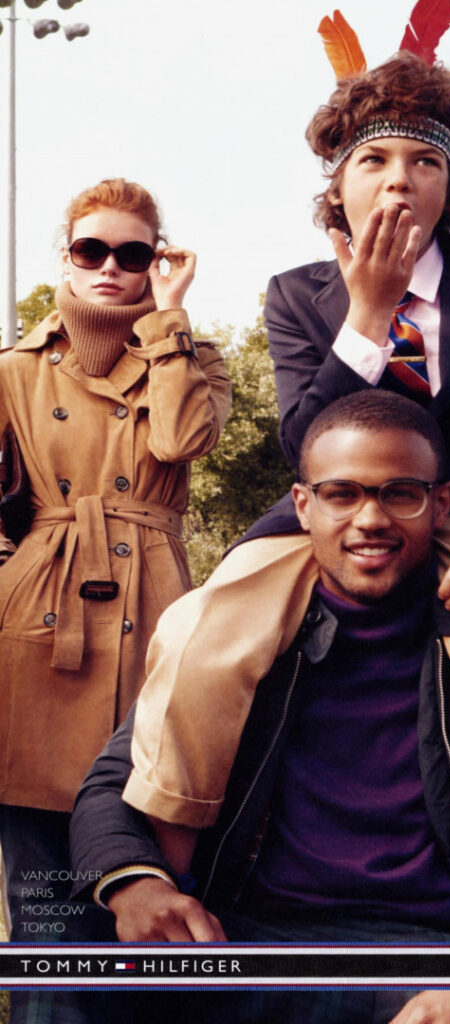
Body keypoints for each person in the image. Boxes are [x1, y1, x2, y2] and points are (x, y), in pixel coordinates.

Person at [122, 51, 450, 897]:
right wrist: (369, 313)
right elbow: (302, 439)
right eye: (373, 160)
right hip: (323, 520)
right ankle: (175, 884)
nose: (398, 181)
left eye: (424, 162)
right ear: (337, 186)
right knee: (196, 641)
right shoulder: (296, 294)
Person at [70, 391, 450, 1024]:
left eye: (400, 494)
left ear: (442, 504)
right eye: (341, 494)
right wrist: (137, 883)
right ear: (303, 506)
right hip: (249, 950)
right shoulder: (230, 646)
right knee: (59, 960)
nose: (369, 519)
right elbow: (111, 787)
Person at [0, 177, 231, 974]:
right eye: (91, 249)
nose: (109, 267)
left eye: (132, 254)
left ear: (155, 262)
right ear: (65, 257)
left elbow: (180, 443)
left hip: (155, 607)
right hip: (40, 610)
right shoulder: (15, 369)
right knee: (43, 892)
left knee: (150, 835)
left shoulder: (189, 355)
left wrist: (168, 320)